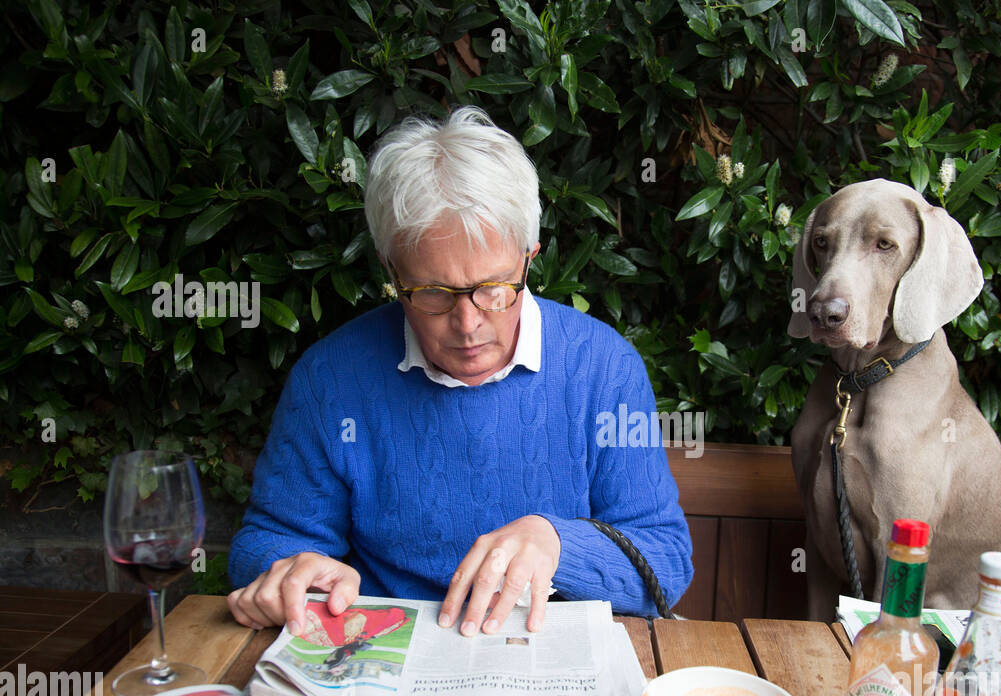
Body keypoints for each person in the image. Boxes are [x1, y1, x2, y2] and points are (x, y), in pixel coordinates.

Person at [226, 107, 693, 637]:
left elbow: (666, 563)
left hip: (550, 664)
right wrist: (290, 572)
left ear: (529, 258)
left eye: (494, 288)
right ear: (392, 271)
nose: (468, 324)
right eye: (432, 293)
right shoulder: (329, 379)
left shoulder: (604, 369)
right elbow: (268, 541)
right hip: (384, 667)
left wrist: (560, 544)